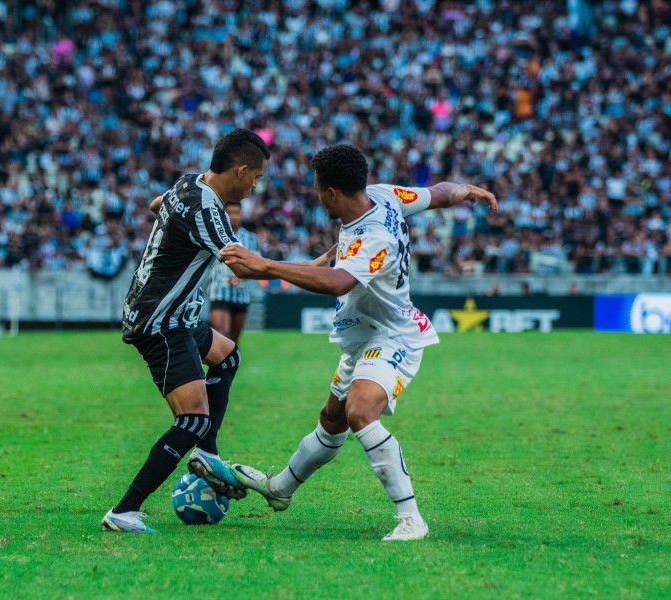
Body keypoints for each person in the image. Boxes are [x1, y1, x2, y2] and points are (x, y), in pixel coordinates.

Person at [219, 144, 498, 542]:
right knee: (331, 421)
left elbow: (340, 281)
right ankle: (280, 489)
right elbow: (438, 193)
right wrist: (467, 189)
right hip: (361, 338)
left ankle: (411, 518)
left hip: (392, 335)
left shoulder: (376, 236)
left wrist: (265, 266)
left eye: (317, 188)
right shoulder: (383, 194)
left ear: (332, 192)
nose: (316, 195)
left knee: (359, 411)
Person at [99, 129, 272, 534]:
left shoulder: (188, 183)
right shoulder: (206, 209)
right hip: (160, 323)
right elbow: (243, 266)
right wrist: (313, 268)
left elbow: (158, 202)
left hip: (174, 316)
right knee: (193, 419)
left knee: (228, 355)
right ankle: (124, 511)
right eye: (257, 177)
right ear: (241, 169)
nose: (255, 186)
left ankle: (206, 457)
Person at [207, 202, 260, 343]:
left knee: (233, 340)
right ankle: (220, 362)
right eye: (229, 213)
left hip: (241, 295)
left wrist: (239, 278)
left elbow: (257, 267)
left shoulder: (250, 239)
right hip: (218, 292)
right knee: (221, 336)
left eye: (236, 212)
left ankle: (231, 363)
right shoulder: (213, 235)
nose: (233, 216)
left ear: (241, 215)